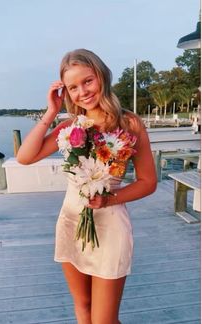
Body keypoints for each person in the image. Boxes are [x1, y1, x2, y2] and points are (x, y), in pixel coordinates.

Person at [17, 49, 157, 324]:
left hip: (110, 227)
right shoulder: (71, 127)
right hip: (71, 222)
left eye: (88, 81)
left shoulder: (129, 123)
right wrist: (51, 112)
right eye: (73, 87)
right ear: (67, 93)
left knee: (104, 320)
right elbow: (25, 157)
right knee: (83, 308)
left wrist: (110, 199)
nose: (83, 91)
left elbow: (148, 182)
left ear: (101, 76)